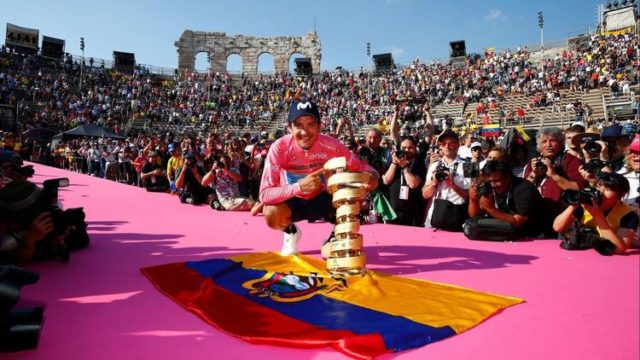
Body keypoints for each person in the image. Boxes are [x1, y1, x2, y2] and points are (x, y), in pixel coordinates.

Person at [259, 100, 378, 256]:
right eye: (298, 125)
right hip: (294, 199)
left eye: (311, 125)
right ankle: (291, 232)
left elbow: (362, 168)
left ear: (319, 126)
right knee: (270, 212)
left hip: (324, 199)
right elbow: (264, 194)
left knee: (352, 189)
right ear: (289, 127)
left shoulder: (331, 145)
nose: (305, 132)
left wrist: (373, 178)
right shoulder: (279, 148)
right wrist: (299, 187)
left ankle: (336, 235)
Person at [553, 172, 638, 254]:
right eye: (599, 186)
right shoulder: (585, 206)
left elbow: (619, 248)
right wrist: (575, 203)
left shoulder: (629, 215)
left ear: (621, 194)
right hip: (580, 254)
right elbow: (557, 227)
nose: (601, 192)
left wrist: (598, 216)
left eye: (608, 189)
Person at [524, 127, 585, 236]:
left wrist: (554, 175)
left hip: (562, 219)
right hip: (536, 220)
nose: (548, 145)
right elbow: (524, 190)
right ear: (539, 146)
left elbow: (578, 188)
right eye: (544, 141)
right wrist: (533, 174)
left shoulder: (571, 161)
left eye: (553, 141)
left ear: (561, 143)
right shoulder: (533, 163)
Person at [469, 161, 543, 238]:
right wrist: (473, 200)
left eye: (496, 181)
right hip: (503, 235)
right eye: (489, 181)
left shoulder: (525, 189)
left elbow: (516, 223)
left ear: (508, 176)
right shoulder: (488, 186)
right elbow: (475, 216)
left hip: (532, 237)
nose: (493, 185)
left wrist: (490, 209)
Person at [422, 129, 471, 230]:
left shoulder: (469, 166)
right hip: (435, 216)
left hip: (457, 216)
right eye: (444, 143)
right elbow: (425, 194)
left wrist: (452, 184)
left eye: (451, 143)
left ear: (458, 144)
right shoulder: (434, 166)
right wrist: (434, 183)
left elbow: (471, 198)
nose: (447, 146)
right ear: (440, 146)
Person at [381, 136, 426, 226]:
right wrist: (394, 163)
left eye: (410, 148)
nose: (407, 150)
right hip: (393, 212)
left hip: (413, 213)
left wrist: (404, 167)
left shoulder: (419, 164)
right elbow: (386, 181)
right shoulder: (392, 162)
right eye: (404, 148)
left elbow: (413, 184)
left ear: (415, 148)